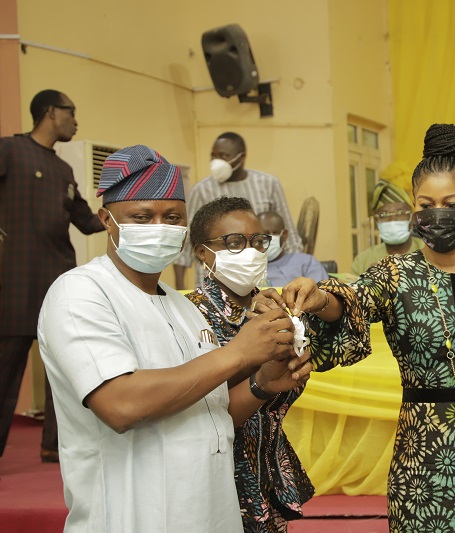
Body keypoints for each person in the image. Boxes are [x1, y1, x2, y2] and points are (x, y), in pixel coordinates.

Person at [273, 124, 455, 532]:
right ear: (414, 209)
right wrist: (322, 298)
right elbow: (355, 301)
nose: (438, 213)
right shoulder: (395, 274)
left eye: (451, 202)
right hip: (425, 466)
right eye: (426, 204)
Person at [37, 145, 312, 532]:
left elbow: (211, 418)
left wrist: (262, 385)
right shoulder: (81, 292)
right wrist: (238, 354)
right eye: (141, 216)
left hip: (209, 515)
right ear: (106, 220)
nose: (159, 227)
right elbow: (121, 404)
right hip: (132, 517)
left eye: (171, 217)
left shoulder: (183, 309)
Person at [186, 197, 313, 532]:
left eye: (258, 242)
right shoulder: (190, 314)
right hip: (219, 476)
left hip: (265, 473)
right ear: (202, 252)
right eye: (234, 243)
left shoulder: (275, 308)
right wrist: (259, 376)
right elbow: (203, 406)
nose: (251, 252)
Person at [0, 89, 104, 462]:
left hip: (57, 282)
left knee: (63, 367)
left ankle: (54, 446)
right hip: (13, 280)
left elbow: (89, 222)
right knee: (5, 370)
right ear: (49, 113)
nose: (75, 121)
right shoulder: (9, 150)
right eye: (71, 112)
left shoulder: (63, 169)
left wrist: (124, 209)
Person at [173, 131, 303, 289]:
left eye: (223, 155)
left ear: (241, 157)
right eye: (213, 156)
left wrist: (295, 275)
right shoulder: (201, 190)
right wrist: (180, 290)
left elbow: (289, 237)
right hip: (213, 284)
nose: (216, 161)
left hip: (260, 279)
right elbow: (185, 245)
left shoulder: (268, 184)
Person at [351, 178, 424, 275]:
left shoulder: (430, 252)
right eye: (384, 215)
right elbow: (349, 289)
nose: (393, 219)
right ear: (377, 221)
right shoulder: (362, 261)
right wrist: (368, 283)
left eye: (400, 213)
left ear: (412, 217)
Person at [258, 211, 329, 286]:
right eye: (261, 235)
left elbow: (322, 293)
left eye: (272, 233)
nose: (265, 238)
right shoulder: (250, 267)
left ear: (284, 234)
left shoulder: (307, 263)